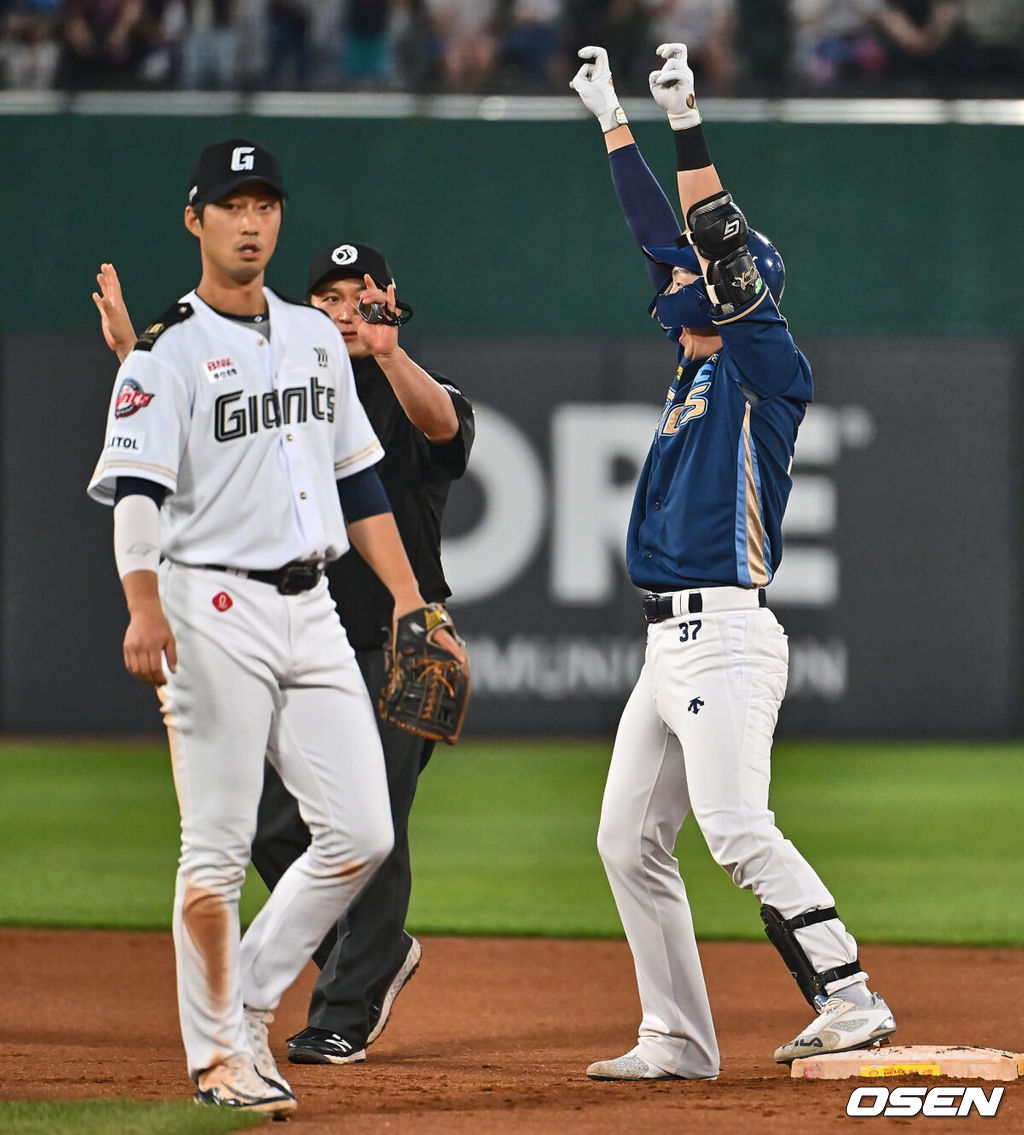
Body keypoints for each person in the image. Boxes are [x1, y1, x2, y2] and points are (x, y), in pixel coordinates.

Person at [87, 138, 459, 1114]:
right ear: (195, 219)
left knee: (362, 831)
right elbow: (133, 491)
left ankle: (244, 1000)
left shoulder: (308, 337)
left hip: (312, 605)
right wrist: (139, 603)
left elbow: (361, 481)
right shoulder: (165, 351)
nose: (250, 220)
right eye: (231, 204)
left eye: (264, 204)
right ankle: (218, 1059)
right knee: (214, 846)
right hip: (206, 607)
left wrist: (414, 601)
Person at [569, 44, 896, 1080]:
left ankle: (847, 991)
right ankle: (676, 1036)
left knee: (734, 826)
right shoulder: (692, 361)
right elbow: (662, 237)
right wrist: (612, 122)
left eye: (698, 273)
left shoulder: (763, 360)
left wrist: (686, 121)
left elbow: (707, 236)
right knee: (627, 841)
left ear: (735, 288)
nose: (671, 274)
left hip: (726, 638)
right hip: (669, 643)